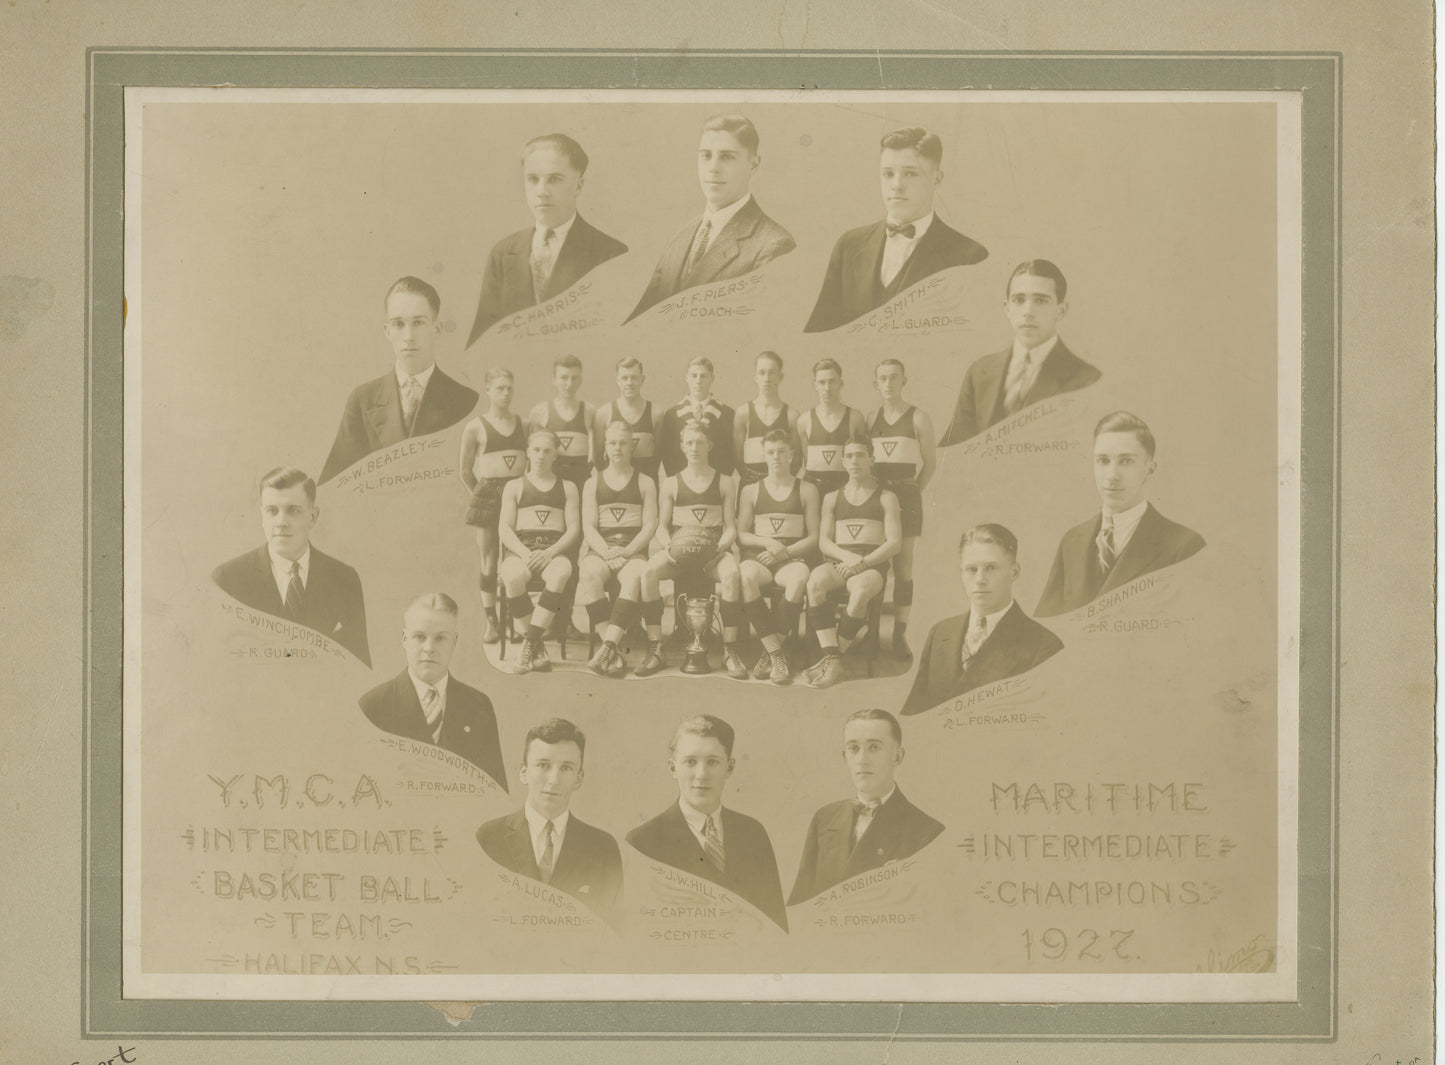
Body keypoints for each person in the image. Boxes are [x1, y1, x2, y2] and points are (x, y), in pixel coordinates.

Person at [804, 127, 988, 333]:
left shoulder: (969, 256)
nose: (896, 185)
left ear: (937, 179)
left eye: (910, 173)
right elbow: (820, 332)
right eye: (888, 174)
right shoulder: (849, 245)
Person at [626, 114, 795, 322]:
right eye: (706, 155)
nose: (713, 168)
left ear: (754, 164)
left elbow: (757, 326)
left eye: (727, 156)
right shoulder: (681, 236)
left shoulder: (773, 244)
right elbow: (642, 320)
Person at [1036, 411, 1206, 617]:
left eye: (1126, 461)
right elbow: (1046, 626)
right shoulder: (1072, 541)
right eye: (1103, 461)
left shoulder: (1184, 546)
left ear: (1150, 469)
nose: (1112, 475)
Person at [626, 715, 787, 931]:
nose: (701, 775)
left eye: (713, 762)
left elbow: (775, 925)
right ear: (673, 768)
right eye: (690, 762)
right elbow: (638, 931)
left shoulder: (752, 833)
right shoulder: (642, 842)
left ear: (729, 768)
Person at [465, 133, 628, 346]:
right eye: (533, 179)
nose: (541, 192)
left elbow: (617, 340)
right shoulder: (503, 253)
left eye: (555, 179)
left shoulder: (609, 253)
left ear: (579, 185)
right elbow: (482, 341)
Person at [319, 277, 480, 483]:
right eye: (399, 324)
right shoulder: (362, 400)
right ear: (387, 331)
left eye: (418, 323)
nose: (409, 336)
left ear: (436, 328)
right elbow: (335, 485)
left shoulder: (465, 401)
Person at [212, 466, 370, 665]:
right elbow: (220, 664)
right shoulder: (228, 579)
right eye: (272, 511)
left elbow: (358, 665)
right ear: (262, 517)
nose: (281, 522)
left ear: (313, 517)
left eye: (293, 511)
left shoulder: (344, 579)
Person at [901, 524, 1064, 716]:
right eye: (971, 569)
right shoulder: (940, 633)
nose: (980, 579)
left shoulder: (1044, 645)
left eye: (990, 568)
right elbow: (914, 713)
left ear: (1014, 572)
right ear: (961, 573)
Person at [787, 709, 944, 905]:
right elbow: (799, 904)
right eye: (854, 749)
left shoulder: (927, 832)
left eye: (874, 748)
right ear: (845, 757)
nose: (862, 760)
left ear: (897, 756)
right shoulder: (824, 818)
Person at [475, 718, 622, 925]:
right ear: (524, 772)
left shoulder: (603, 848)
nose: (553, 779)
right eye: (543, 765)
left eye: (566, 768)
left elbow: (610, 930)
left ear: (579, 778)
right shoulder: (489, 837)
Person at [939, 259, 1103, 445]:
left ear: (1061, 310)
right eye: (1019, 300)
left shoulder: (1086, 379)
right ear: (1007, 308)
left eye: (1041, 301)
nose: (1028, 311)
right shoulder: (979, 373)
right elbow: (953, 450)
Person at [359, 593, 507, 787]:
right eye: (419, 637)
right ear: (404, 639)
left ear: (454, 641)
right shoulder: (374, 706)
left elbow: (495, 791)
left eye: (440, 638)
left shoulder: (478, 704)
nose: (429, 648)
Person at [635, 422, 746, 679]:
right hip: (679, 550)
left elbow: (731, 527)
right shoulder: (672, 483)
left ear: (710, 445)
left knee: (732, 574)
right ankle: (656, 647)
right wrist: (668, 547)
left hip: (714, 552)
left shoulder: (726, 482)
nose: (694, 447)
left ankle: (730, 650)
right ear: (682, 447)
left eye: (699, 442)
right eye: (689, 443)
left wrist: (719, 548)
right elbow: (662, 527)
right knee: (649, 571)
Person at [802, 434, 902, 689]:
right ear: (843, 462)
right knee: (814, 583)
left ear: (872, 459)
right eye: (849, 456)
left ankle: (830, 660)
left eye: (860, 455)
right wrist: (847, 557)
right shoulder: (832, 497)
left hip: (871, 565)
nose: (854, 461)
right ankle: (833, 660)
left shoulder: (886, 496)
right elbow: (824, 541)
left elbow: (894, 543)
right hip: (839, 562)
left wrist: (863, 562)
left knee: (860, 591)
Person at [736, 430, 820, 685]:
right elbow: (741, 534)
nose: (776, 457)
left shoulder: (807, 490)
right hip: (759, 556)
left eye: (781, 452)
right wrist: (768, 543)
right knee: (747, 576)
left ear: (792, 455)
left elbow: (814, 537)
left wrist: (785, 552)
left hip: (790, 558)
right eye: (771, 452)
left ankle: (769, 653)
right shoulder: (751, 490)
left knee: (800, 579)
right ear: (764, 454)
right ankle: (776, 653)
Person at [497, 430, 582, 673]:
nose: (541, 456)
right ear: (527, 452)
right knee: (511, 576)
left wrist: (551, 552)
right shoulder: (514, 486)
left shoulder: (568, 487)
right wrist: (524, 554)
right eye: (536, 450)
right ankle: (537, 645)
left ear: (555, 454)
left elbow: (574, 529)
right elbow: (504, 528)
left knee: (561, 573)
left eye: (547, 451)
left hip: (552, 552)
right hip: (522, 550)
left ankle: (529, 644)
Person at [868, 358, 936, 659]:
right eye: (883, 378)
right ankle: (870, 634)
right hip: (877, 498)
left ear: (904, 381)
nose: (888, 383)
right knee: (874, 563)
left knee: (903, 567)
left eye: (894, 377)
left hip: (906, 497)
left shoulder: (919, 417)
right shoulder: (871, 418)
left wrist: (911, 495)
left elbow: (930, 465)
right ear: (876, 383)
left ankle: (898, 634)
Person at [582, 421, 660, 678]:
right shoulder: (592, 483)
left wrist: (626, 553)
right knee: (588, 572)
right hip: (603, 550)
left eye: (623, 443)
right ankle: (611, 649)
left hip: (632, 551)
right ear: (605, 446)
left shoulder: (646, 481)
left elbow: (649, 526)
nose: (618, 447)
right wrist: (606, 553)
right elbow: (589, 527)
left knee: (636, 574)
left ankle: (605, 650)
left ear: (631, 446)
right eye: (613, 442)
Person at [459, 368, 527, 643]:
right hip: (488, 495)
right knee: (488, 562)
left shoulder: (523, 423)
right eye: (500, 388)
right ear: (488, 390)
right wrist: (482, 496)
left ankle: (513, 622)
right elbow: (464, 471)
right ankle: (492, 622)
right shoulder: (476, 426)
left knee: (514, 562)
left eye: (509, 388)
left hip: (518, 498)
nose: (506, 393)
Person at [796, 358, 867, 501]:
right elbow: (807, 461)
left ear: (841, 383)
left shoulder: (855, 418)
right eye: (822, 382)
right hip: (813, 490)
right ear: (815, 385)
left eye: (832, 381)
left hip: (845, 488)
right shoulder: (804, 420)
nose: (827, 388)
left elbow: (861, 457)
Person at [656, 356, 736, 478]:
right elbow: (668, 456)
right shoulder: (672, 415)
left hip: (716, 484)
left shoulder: (727, 414)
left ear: (712, 379)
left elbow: (731, 455)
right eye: (694, 376)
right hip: (682, 484)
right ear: (687, 378)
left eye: (703, 376)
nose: (698, 381)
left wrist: (718, 482)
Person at [732, 350, 800, 486]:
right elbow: (737, 457)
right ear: (755, 377)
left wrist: (781, 483)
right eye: (762, 373)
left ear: (781, 377)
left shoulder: (792, 415)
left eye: (772, 372)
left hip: (782, 485)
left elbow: (797, 459)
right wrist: (752, 481)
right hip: (750, 484)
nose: (767, 378)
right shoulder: (743, 413)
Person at [528, 354, 595, 489]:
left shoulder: (589, 411)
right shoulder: (540, 412)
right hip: (551, 477)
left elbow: (596, 456)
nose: (569, 384)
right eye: (564, 378)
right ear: (554, 380)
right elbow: (533, 457)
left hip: (580, 477)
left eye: (574, 378)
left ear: (580, 380)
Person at [592, 356, 660, 482]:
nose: (629, 383)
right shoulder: (604, 413)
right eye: (624, 378)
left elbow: (661, 455)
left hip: (647, 487)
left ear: (642, 379)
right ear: (618, 381)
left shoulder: (656, 413)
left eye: (634, 377)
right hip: (614, 485)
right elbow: (598, 458)